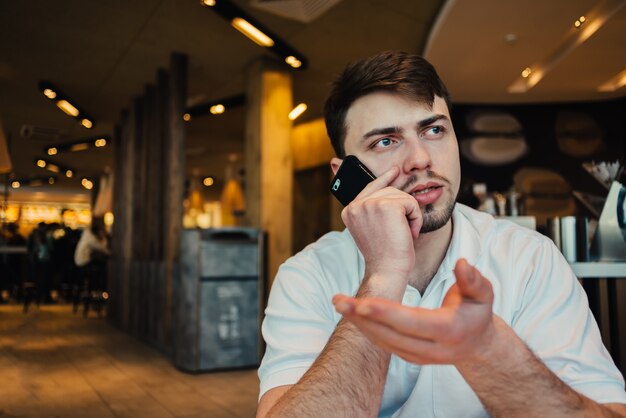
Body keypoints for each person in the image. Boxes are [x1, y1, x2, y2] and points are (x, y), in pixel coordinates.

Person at [256, 51, 626, 417]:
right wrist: (382, 277)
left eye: (433, 130)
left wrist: (489, 352)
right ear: (344, 174)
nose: (420, 159)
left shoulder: (528, 258)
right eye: (386, 141)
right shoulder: (306, 275)